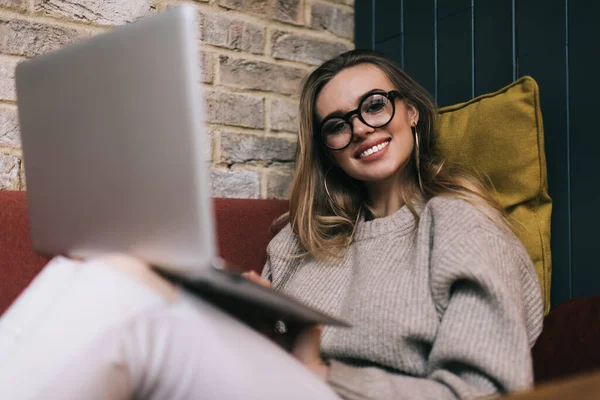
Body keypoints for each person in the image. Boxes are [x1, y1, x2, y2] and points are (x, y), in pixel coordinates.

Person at [0, 49, 543, 400]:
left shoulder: (458, 224)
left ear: (411, 112)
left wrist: (322, 373)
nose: (360, 129)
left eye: (374, 106)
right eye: (337, 124)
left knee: (126, 305)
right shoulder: (301, 241)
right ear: (328, 149)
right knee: (98, 268)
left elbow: (487, 389)